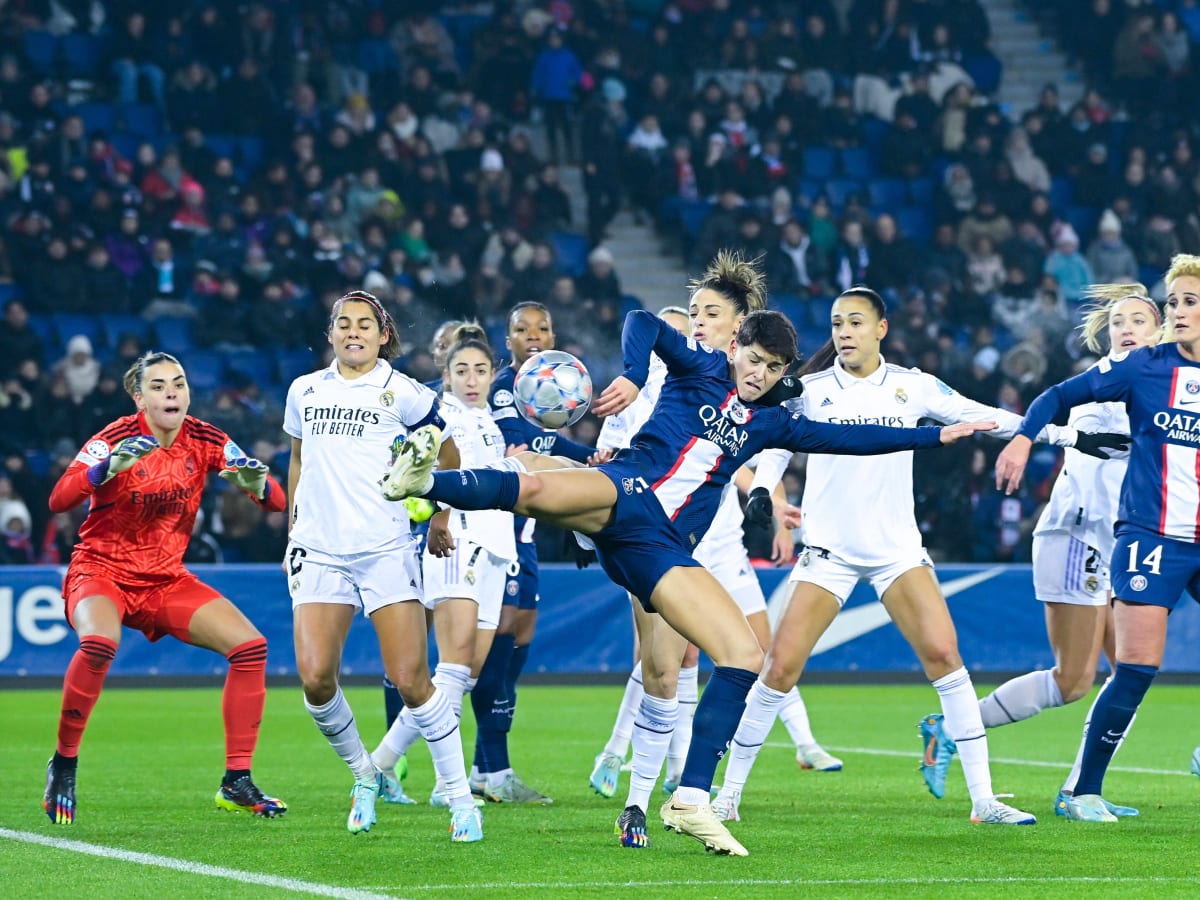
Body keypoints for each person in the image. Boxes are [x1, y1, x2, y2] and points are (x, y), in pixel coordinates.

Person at [381, 303, 994, 856]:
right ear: (735, 350)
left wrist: (936, 434)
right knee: (535, 485)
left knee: (742, 656)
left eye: (772, 368)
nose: (757, 375)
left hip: (662, 549)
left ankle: (691, 797)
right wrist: (630, 372)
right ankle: (424, 483)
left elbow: (852, 438)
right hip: (627, 491)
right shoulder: (699, 366)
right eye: (752, 360)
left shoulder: (772, 423)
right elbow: (639, 320)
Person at [710, 287, 1128, 831]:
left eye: (856, 322)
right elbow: (777, 446)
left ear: (881, 328)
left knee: (945, 660)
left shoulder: (913, 386)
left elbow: (986, 418)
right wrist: (763, 489)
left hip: (897, 552)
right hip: (829, 551)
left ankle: (983, 800)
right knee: (779, 669)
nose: (844, 331)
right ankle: (728, 796)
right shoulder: (808, 391)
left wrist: (1068, 435)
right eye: (837, 323)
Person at [585, 266, 840, 853]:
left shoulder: (748, 379)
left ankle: (710, 784)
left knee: (747, 655)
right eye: (692, 311)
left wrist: (769, 497)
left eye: (709, 313)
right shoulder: (673, 366)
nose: (696, 320)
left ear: (739, 330)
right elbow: (656, 441)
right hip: (660, 530)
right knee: (664, 669)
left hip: (720, 538)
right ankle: (640, 801)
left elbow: (748, 441)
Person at [994, 254, 1200, 823]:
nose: (1179, 310)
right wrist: (1021, 440)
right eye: (1174, 301)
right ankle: (1081, 790)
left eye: (1190, 301)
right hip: (1150, 534)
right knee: (1133, 666)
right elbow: (1058, 396)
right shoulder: (1143, 368)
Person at [43, 351, 288, 825]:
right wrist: (104, 470)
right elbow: (58, 499)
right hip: (101, 571)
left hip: (164, 579)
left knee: (251, 648)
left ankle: (236, 781)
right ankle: (64, 764)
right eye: (158, 386)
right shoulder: (113, 438)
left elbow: (275, 501)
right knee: (98, 643)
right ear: (139, 397)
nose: (171, 392)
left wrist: (259, 484)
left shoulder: (206, 438)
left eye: (178, 383)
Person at [284, 290, 481, 841]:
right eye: (343, 324)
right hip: (318, 548)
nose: (353, 332)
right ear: (331, 334)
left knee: (411, 679)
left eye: (364, 325)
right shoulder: (305, 390)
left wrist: (440, 510)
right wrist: (292, 533)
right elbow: (298, 460)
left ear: (382, 334)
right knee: (316, 679)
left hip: (384, 549)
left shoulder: (405, 392)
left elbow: (447, 453)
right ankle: (365, 775)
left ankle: (461, 801)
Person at [973, 286, 1161, 819]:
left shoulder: (1160, 385)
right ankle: (957, 724)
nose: (1126, 327)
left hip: (1119, 543)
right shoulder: (1109, 380)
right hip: (1077, 535)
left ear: (1159, 331)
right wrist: (1062, 437)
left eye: (1139, 320)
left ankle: (1082, 788)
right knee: (1074, 680)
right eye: (1119, 320)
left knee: (1128, 671)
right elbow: (1062, 411)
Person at [371, 324, 522, 806]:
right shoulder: (441, 419)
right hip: (458, 541)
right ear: (446, 375)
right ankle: (444, 786)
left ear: (494, 374)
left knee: (465, 673)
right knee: (453, 668)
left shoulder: (491, 426)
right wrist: (441, 517)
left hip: (496, 547)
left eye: (480, 370)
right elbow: (423, 474)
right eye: (462, 370)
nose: (472, 378)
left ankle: (379, 764)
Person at [468, 301, 600, 805]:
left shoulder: (546, 391)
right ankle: (491, 770)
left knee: (515, 645)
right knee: (490, 646)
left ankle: (485, 766)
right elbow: (523, 446)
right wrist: (588, 459)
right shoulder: (503, 388)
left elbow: (544, 453)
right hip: (496, 531)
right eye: (523, 330)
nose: (535, 336)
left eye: (544, 328)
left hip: (524, 534)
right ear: (509, 340)